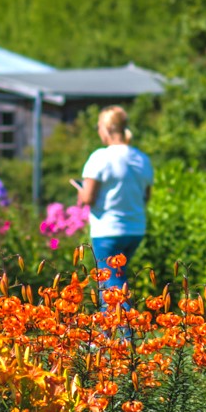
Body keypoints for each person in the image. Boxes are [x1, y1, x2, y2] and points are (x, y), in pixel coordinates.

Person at [73, 105, 154, 292]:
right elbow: (146, 196)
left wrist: (80, 191)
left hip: (108, 230)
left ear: (107, 128)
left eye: (98, 127)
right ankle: (123, 319)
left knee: (110, 284)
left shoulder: (100, 158)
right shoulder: (142, 159)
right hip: (135, 229)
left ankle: (120, 321)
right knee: (119, 276)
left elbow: (88, 198)